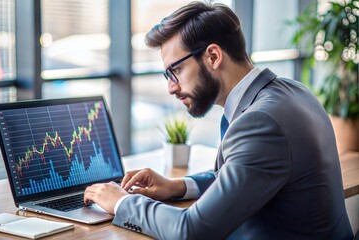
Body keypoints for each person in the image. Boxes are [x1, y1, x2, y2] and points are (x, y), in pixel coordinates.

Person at [84, 2, 354, 239]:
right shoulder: (291, 91)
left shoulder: (261, 122)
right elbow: (239, 176)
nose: (171, 88)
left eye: (175, 71)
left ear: (213, 56)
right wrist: (175, 186)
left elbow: (192, 230)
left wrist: (120, 202)